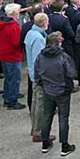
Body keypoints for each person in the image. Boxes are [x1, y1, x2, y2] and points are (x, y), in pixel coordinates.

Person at [34, 32, 77, 156]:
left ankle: (45, 143)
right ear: (58, 43)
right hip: (62, 90)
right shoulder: (63, 57)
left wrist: (42, 83)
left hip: (47, 89)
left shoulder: (40, 56)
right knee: (63, 118)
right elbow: (71, 73)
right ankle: (64, 146)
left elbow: (37, 74)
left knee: (47, 116)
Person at [24, 13, 55, 142]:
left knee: (36, 102)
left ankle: (35, 129)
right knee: (40, 104)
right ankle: (39, 132)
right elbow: (40, 59)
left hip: (33, 73)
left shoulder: (31, 33)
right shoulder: (38, 38)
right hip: (39, 76)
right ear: (43, 23)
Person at [0, 3, 26, 110]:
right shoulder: (13, 26)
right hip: (12, 55)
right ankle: (12, 101)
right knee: (14, 78)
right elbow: (16, 42)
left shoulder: (1, 23)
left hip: (4, 54)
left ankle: (7, 98)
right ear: (14, 13)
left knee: (8, 78)